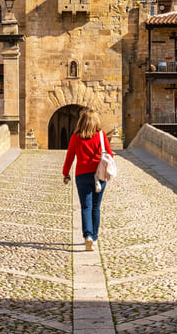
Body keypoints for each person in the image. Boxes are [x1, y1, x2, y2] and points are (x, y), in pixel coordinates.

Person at [62, 108, 113, 251]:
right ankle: (95, 238)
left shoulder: (75, 137)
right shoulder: (101, 136)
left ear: (81, 121)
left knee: (86, 206)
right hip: (99, 175)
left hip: (82, 175)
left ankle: (88, 236)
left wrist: (66, 173)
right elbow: (110, 155)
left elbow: (70, 157)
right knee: (96, 207)